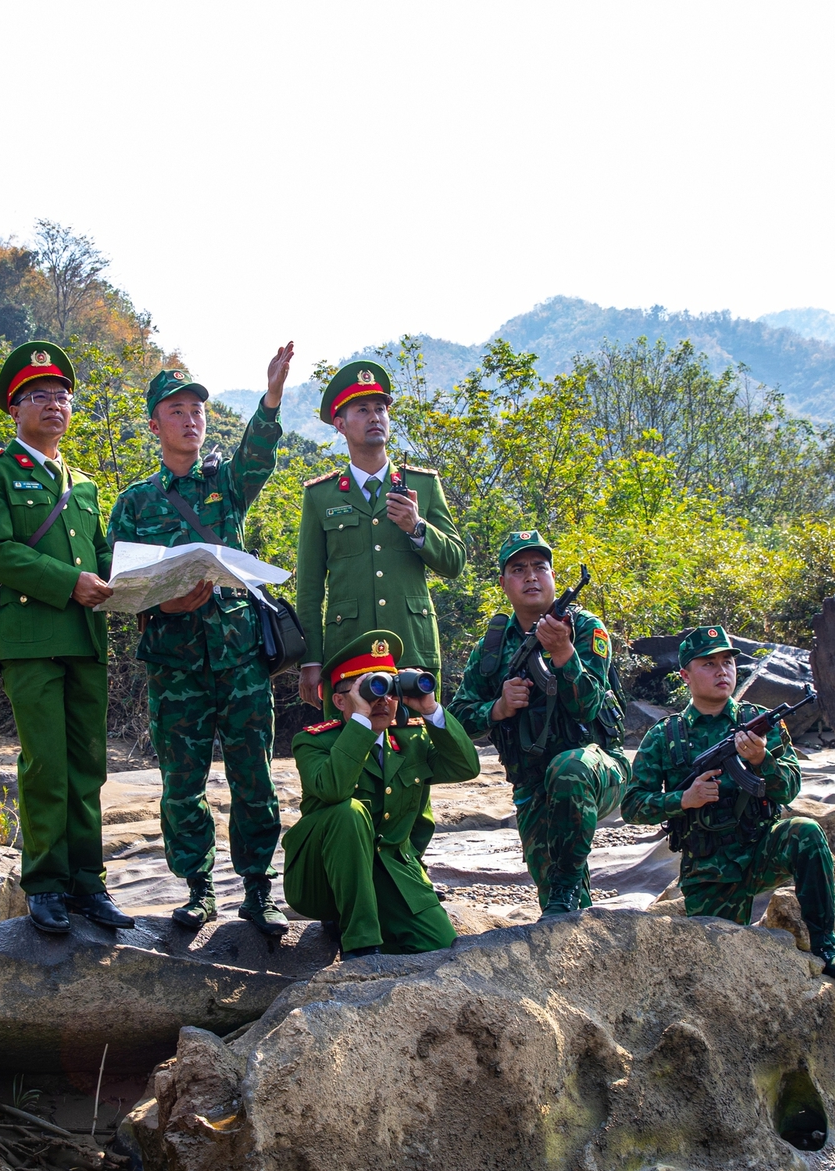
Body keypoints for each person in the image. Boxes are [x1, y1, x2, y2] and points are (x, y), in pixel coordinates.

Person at [107, 347, 295, 933]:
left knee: (254, 780)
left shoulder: (227, 485)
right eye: (177, 409)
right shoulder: (135, 503)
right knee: (182, 786)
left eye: (197, 410)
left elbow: (258, 459)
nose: (191, 419)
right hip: (175, 665)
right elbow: (117, 584)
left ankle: (260, 891)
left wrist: (271, 397)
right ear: (154, 423)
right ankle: (196, 888)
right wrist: (162, 601)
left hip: (240, 658)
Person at [0, 341, 133, 936]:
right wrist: (70, 582)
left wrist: (138, 577)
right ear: (16, 409)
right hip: (32, 637)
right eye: (40, 397)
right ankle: (44, 884)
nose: (54, 405)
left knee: (88, 765)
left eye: (62, 396)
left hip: (86, 638)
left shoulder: (82, 484)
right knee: (46, 766)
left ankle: (88, 882)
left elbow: (103, 556)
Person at [623, 627, 835, 981]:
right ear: (685, 675)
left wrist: (761, 761)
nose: (722, 671)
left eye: (728, 662)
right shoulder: (666, 735)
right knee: (718, 972)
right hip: (708, 866)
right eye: (709, 664)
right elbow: (633, 805)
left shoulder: (759, 722)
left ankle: (826, 946)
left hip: (761, 847)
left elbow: (789, 788)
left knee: (806, 832)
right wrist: (684, 799)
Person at [450, 531, 629, 915]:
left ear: (551, 575)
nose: (531, 577)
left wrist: (563, 653)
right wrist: (497, 708)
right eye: (519, 569)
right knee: (558, 904)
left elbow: (590, 706)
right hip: (532, 781)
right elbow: (459, 715)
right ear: (503, 583)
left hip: (598, 767)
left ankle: (566, 887)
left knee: (570, 769)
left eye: (539, 567)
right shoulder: (493, 646)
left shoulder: (584, 629)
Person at [282, 629, 480, 957]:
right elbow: (333, 790)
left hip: (391, 873)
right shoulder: (314, 742)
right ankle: (360, 946)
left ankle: (373, 919)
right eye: (369, 689)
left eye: (389, 689)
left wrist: (429, 708)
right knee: (349, 812)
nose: (381, 700)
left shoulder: (411, 740)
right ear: (340, 700)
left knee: (441, 947)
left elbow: (465, 768)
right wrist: (360, 721)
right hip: (323, 877)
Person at [294, 359, 467, 709]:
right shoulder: (321, 496)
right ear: (340, 424)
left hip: (412, 646)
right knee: (352, 755)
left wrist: (417, 528)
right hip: (348, 650)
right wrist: (310, 661)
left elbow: (455, 562)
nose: (376, 417)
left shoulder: (422, 485)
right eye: (362, 409)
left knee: (418, 754)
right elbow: (309, 589)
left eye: (380, 408)